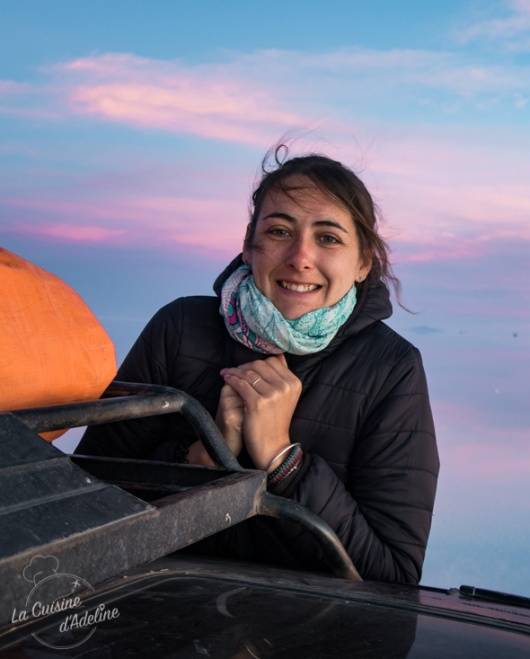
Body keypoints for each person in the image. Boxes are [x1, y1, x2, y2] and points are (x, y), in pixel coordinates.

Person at [77, 147, 439, 584]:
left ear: (363, 263)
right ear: (250, 245)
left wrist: (283, 461)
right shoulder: (180, 330)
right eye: (280, 231)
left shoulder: (391, 369)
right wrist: (199, 458)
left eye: (328, 238)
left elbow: (392, 578)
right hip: (156, 607)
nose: (300, 256)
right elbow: (83, 505)